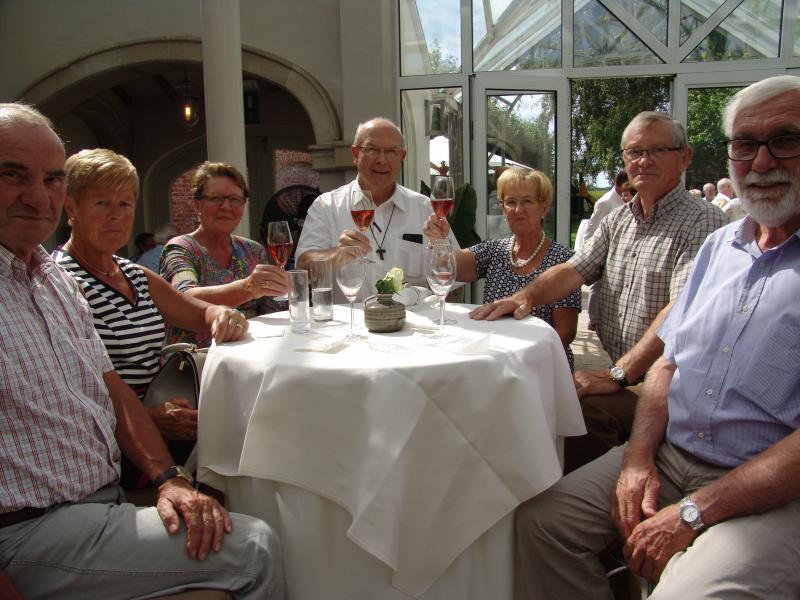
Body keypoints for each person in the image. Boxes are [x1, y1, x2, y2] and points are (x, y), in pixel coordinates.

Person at [513, 74, 800, 600]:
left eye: (786, 140)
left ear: (686, 158)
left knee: (577, 411)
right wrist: (639, 459)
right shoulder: (718, 244)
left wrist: (693, 511)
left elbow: (662, 328)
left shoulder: (699, 223)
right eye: (745, 144)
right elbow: (671, 354)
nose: (761, 162)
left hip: (769, 486)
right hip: (672, 447)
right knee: (538, 522)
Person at [0, 103, 284, 599]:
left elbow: (109, 388)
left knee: (251, 461)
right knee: (254, 544)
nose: (36, 196)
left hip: (104, 493)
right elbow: (188, 292)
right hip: (36, 525)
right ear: (76, 209)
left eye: (50, 179)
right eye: (12, 175)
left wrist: (169, 478)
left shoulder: (47, 282)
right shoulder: (73, 275)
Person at [471, 112, 727, 473]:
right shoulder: (620, 219)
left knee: (585, 414)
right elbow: (575, 270)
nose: (644, 160)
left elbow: (680, 308)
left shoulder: (703, 220)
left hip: (676, 382)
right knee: (557, 398)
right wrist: (526, 295)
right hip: (629, 372)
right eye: (635, 152)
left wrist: (618, 375)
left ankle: (572, 512)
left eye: (657, 150)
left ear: (685, 158)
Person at [53, 148, 248, 488]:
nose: (115, 215)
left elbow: (200, 312)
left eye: (125, 204)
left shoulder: (133, 273)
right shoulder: (60, 280)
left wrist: (223, 314)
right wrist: (151, 418)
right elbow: (69, 391)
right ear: (71, 208)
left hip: (166, 415)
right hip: (113, 445)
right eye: (102, 203)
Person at [423, 167, 580, 369]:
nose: (517, 210)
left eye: (527, 201)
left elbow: (565, 333)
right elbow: (453, 267)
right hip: (496, 360)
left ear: (544, 207)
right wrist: (438, 241)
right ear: (503, 208)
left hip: (542, 363)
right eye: (511, 202)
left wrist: (518, 356)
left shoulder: (563, 260)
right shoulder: (495, 250)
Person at [295, 117, 459, 301]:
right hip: (349, 324)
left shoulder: (424, 208)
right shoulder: (326, 206)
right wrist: (337, 254)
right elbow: (303, 268)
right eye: (372, 149)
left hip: (413, 325)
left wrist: (440, 248)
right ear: (355, 154)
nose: (381, 160)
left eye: (391, 151)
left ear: (402, 157)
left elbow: (451, 278)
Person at [160, 161, 289, 347]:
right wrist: (247, 288)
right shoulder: (181, 248)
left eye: (235, 199)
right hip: (197, 360)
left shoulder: (253, 250)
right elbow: (184, 298)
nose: (226, 206)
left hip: (252, 352)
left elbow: (271, 309)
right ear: (197, 205)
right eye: (216, 198)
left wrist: (292, 291)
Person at [582, 171, 628, 329]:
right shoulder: (605, 202)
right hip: (604, 250)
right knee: (598, 284)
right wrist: (589, 253)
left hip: (619, 251)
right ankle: (593, 319)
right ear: (619, 184)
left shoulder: (625, 198)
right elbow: (591, 228)